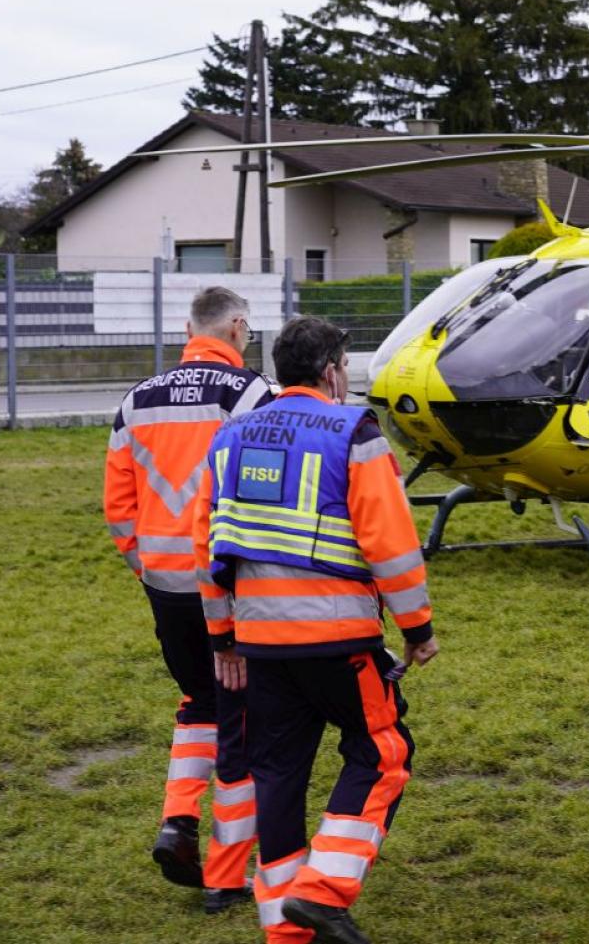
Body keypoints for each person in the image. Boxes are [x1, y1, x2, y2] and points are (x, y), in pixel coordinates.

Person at [196, 317, 438, 944]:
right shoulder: (352, 431)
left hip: (257, 641)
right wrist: (417, 627)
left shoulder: (229, 435)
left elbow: (210, 544)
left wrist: (223, 637)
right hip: (338, 640)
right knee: (384, 753)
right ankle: (323, 890)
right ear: (333, 371)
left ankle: (284, 928)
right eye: (347, 367)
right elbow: (392, 544)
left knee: (276, 774)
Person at [103, 285, 270, 911]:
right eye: (247, 330)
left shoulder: (137, 399)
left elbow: (118, 503)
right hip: (232, 583)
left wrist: (144, 564)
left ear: (187, 328)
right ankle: (228, 872)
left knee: (199, 699)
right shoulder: (251, 393)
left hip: (165, 583)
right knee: (243, 717)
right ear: (235, 327)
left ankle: (178, 821)